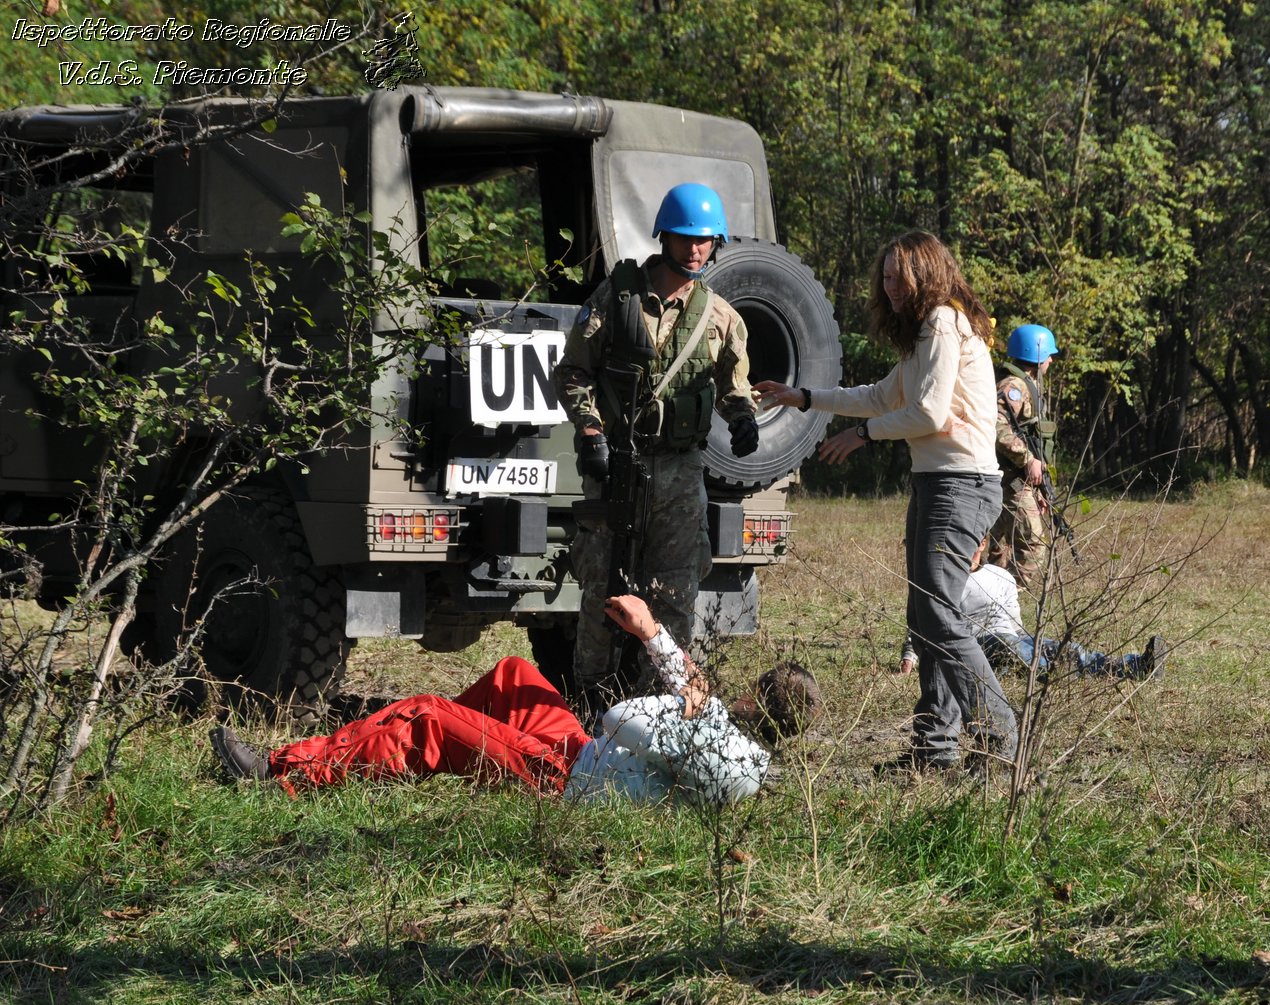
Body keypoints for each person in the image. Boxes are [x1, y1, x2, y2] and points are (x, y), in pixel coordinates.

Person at [754, 231, 1014, 773]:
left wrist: (865, 436)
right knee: (926, 618)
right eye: (885, 277)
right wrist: (802, 397)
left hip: (960, 485)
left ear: (927, 273)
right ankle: (935, 750)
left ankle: (1001, 736)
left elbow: (929, 415)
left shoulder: (943, 321)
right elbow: (879, 395)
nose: (889, 286)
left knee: (939, 616)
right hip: (936, 482)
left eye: (899, 275)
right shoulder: (926, 334)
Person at [209, 596, 821, 807]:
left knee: (427, 713)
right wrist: (652, 632)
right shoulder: (735, 742)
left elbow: (620, 718)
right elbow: (697, 708)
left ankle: (282, 773)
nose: (735, 694)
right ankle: (400, 748)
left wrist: (679, 700)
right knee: (513, 673)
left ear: (756, 704)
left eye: (749, 692)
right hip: (588, 756)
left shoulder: (730, 761)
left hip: (568, 780)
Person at [552, 183, 760, 705]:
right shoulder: (618, 298)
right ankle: (591, 703)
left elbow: (735, 387)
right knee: (603, 584)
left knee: (674, 590)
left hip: (679, 472)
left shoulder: (720, 317)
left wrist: (743, 419)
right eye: (687, 238)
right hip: (617, 464)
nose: (696, 250)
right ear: (664, 236)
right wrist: (591, 430)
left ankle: (662, 704)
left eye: (706, 240)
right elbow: (573, 371)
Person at [900, 539, 1169, 681]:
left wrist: (1039, 644)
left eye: (973, 541)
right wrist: (910, 658)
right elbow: (922, 622)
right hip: (974, 648)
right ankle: (1053, 673)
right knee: (1005, 643)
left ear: (982, 543)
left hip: (1014, 643)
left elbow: (1014, 626)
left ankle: (1132, 666)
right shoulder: (943, 581)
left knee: (1067, 648)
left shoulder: (1000, 575)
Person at [990, 323, 1059, 590]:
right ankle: (1007, 596)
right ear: (1036, 354)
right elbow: (996, 427)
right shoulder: (1013, 387)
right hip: (1009, 478)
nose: (1051, 360)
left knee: (998, 546)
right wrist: (1028, 459)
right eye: (1048, 354)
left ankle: (991, 601)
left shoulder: (1026, 385)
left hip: (1015, 480)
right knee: (1033, 544)